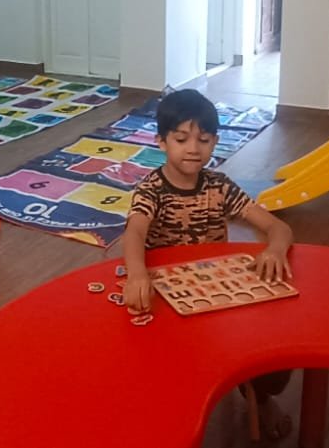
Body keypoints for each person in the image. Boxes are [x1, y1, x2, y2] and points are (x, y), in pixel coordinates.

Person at [121, 88, 296, 439]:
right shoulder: (151, 190)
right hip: (168, 296)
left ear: (215, 142)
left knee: (270, 342)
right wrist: (137, 274)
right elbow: (134, 232)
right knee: (160, 366)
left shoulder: (220, 186)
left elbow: (278, 227)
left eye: (203, 140)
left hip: (217, 290)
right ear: (161, 141)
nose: (193, 148)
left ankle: (260, 397)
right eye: (181, 139)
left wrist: (276, 250)